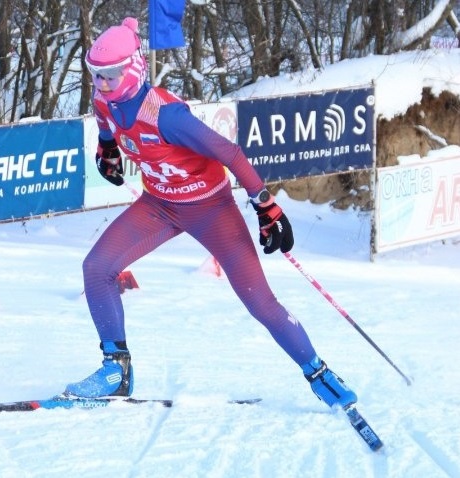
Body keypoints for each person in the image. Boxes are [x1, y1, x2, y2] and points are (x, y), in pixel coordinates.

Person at [64, 17, 358, 411]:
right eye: (94, 75)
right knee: (96, 268)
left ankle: (319, 373)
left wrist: (266, 205)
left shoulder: (167, 116)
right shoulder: (106, 101)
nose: (101, 85)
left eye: (110, 76)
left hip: (211, 210)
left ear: (133, 68)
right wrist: (107, 148)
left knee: (259, 301)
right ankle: (116, 370)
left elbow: (231, 153)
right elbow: (105, 120)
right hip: (160, 206)